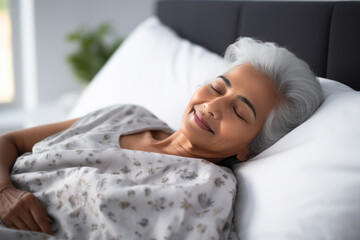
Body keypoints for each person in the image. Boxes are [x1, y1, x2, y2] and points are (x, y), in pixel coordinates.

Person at [0, 37, 323, 235]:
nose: (212, 105)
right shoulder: (124, 114)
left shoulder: (206, 187)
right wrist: (4, 192)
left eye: (240, 112)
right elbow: (9, 141)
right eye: (216, 87)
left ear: (250, 150)